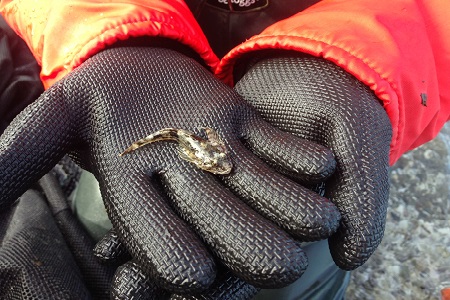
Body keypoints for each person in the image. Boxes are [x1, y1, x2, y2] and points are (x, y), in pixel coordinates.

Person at [0, 0, 448, 299]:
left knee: (301, 247)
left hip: (295, 114)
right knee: (117, 213)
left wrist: (372, 57)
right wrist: (116, 31)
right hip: (152, 95)